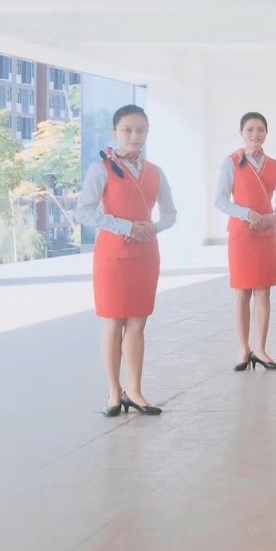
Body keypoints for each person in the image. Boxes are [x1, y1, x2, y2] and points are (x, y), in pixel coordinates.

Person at [75, 105, 177, 416]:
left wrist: (152, 228)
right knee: (113, 323)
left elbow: (170, 214)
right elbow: (84, 212)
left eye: (141, 130)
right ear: (115, 133)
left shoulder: (156, 172)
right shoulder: (101, 169)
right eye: (127, 130)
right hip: (112, 256)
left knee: (137, 324)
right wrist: (127, 227)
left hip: (145, 254)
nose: (135, 136)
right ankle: (113, 392)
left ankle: (134, 390)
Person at [215, 111, 276, 372]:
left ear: (266, 133)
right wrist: (247, 214)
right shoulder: (231, 162)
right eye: (250, 130)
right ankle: (243, 348)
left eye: (260, 129)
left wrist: (272, 218)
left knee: (264, 292)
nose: (255, 134)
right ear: (241, 133)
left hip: (267, 234)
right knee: (242, 292)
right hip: (242, 235)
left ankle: (260, 348)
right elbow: (220, 200)